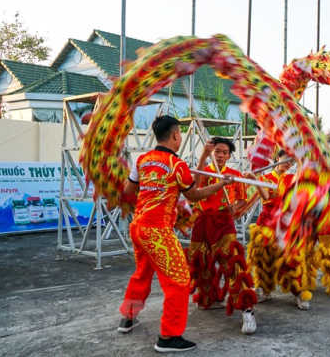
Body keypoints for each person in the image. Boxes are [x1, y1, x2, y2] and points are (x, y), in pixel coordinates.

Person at [119, 116, 234, 353]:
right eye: (180, 133)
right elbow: (194, 196)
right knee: (180, 281)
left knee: (142, 274)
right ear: (174, 135)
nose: (180, 137)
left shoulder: (142, 160)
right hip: (157, 231)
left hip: (138, 227)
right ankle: (169, 337)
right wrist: (222, 184)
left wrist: (153, 184)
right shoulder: (176, 165)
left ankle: (128, 318)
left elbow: (128, 190)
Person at [188, 137, 258, 335]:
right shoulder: (202, 170)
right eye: (217, 151)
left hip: (223, 222)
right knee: (201, 261)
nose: (220, 155)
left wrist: (233, 206)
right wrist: (202, 157)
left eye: (224, 152)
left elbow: (243, 200)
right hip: (202, 220)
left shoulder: (234, 175)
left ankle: (247, 308)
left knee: (231, 262)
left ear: (229, 156)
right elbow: (194, 190)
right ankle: (209, 297)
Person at [246, 150, 316, 310]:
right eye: (285, 159)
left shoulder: (292, 179)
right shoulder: (264, 178)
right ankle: (264, 289)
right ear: (277, 158)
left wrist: (300, 162)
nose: (288, 163)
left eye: (291, 162)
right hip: (266, 221)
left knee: (291, 258)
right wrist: (254, 180)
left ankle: (297, 291)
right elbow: (264, 196)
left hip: (286, 222)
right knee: (265, 258)